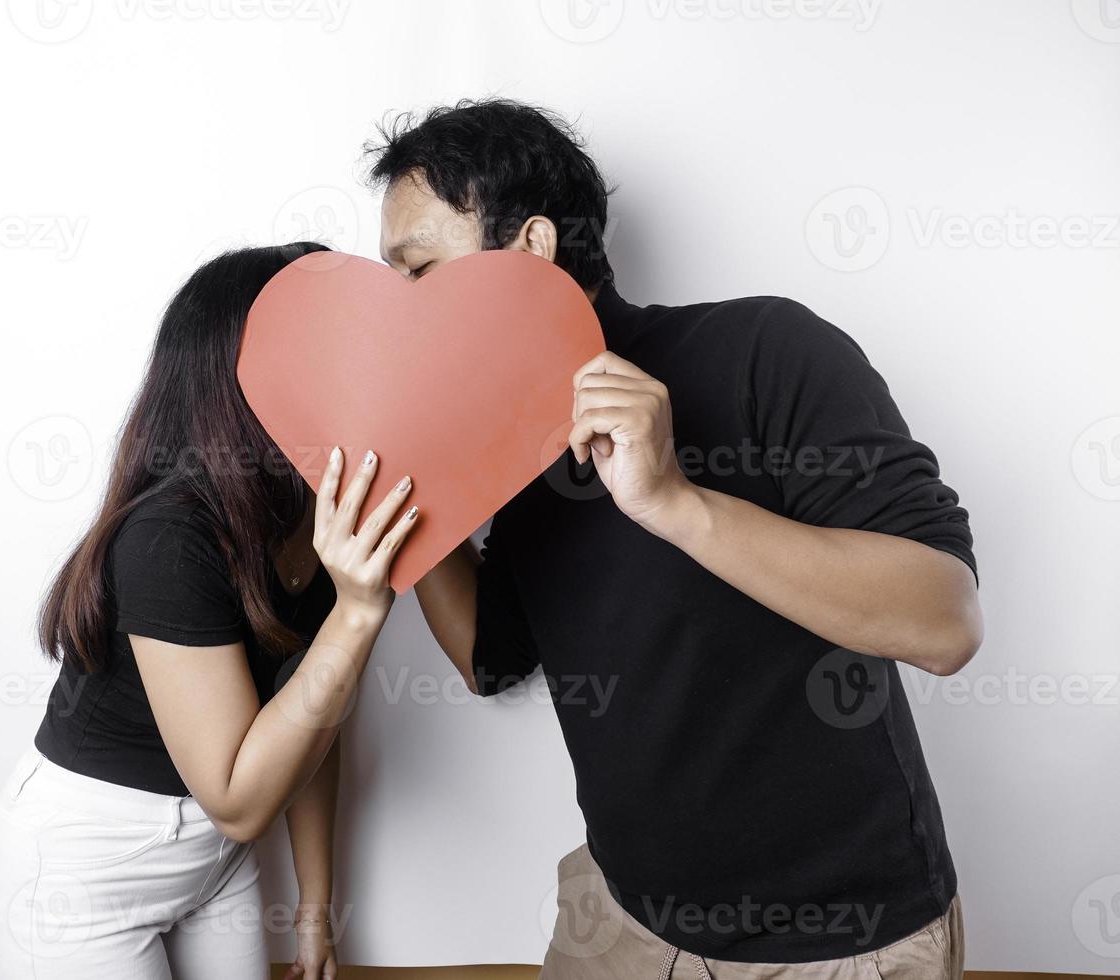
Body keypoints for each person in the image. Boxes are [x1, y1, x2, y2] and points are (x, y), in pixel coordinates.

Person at [368, 100, 980, 978]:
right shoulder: (509, 450)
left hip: (839, 941)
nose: (403, 314)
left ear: (531, 248)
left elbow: (946, 623)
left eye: (419, 271)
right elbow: (486, 657)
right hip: (620, 919)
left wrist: (675, 503)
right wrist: (412, 501)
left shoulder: (766, 347)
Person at [0, 242, 420, 980]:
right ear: (241, 375)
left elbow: (314, 718)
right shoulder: (170, 534)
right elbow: (240, 801)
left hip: (215, 861)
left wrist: (316, 909)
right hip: (88, 867)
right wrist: (356, 613)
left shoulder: (318, 510)